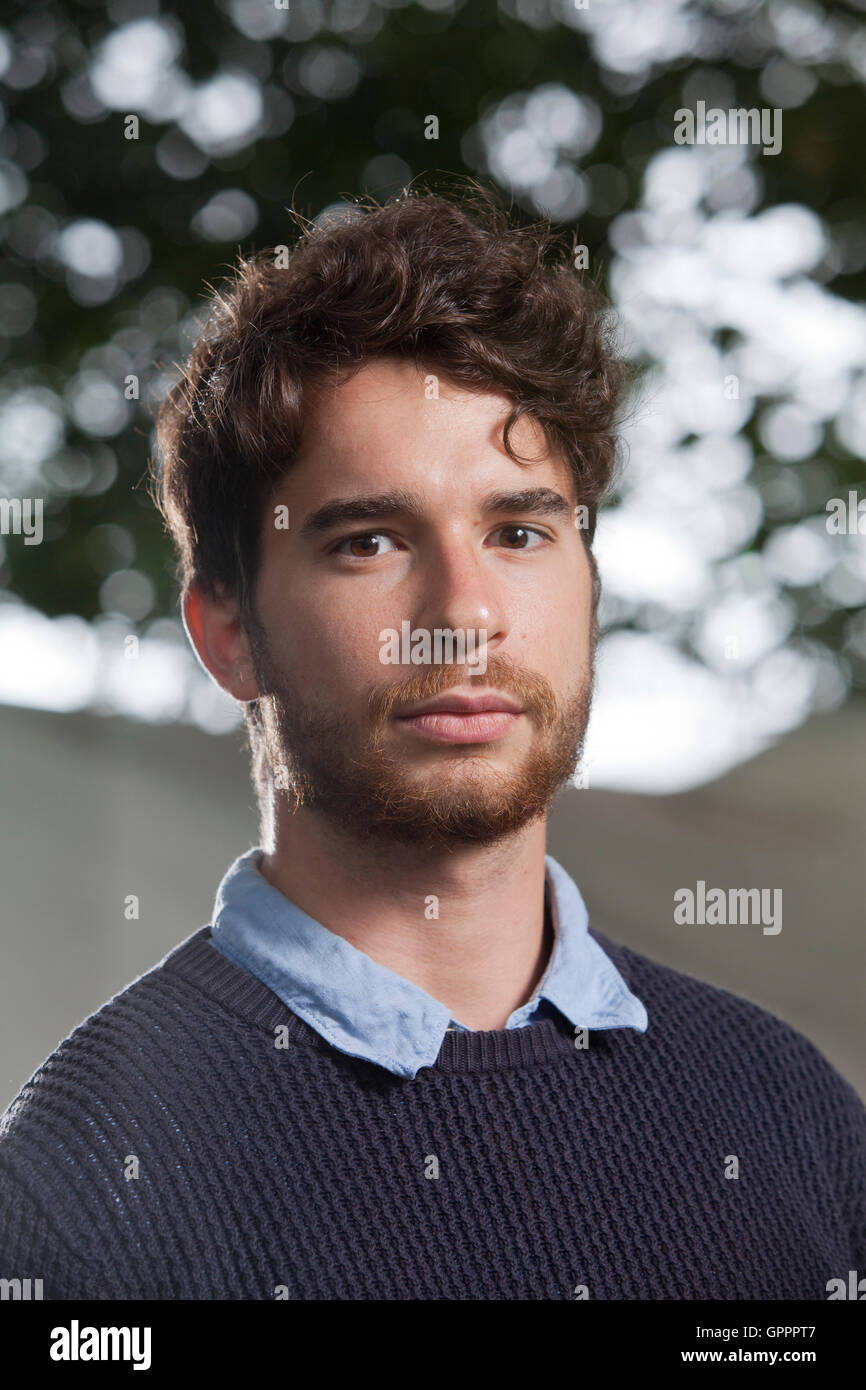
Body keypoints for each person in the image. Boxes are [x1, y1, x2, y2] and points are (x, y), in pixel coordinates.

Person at [1, 187, 863, 1300]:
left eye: (517, 531)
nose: (462, 613)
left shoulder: (785, 1107)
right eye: (368, 539)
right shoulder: (75, 1188)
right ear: (228, 635)